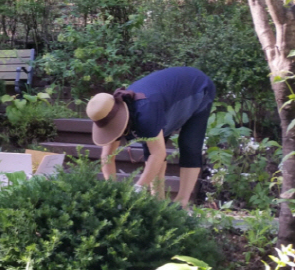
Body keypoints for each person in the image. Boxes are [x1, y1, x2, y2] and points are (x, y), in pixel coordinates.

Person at [87, 66, 215, 207]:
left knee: (189, 144)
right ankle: (157, 202)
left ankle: (182, 202)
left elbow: (158, 154)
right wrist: (112, 189)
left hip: (196, 87)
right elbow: (107, 156)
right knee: (150, 144)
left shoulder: (144, 111)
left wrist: (138, 188)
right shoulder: (108, 111)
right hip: (162, 99)